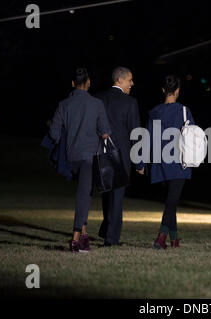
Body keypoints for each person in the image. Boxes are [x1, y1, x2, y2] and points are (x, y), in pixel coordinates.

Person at [49, 67, 111, 252]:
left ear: (72, 84)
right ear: (89, 82)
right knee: (84, 195)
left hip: (71, 156)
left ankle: (84, 235)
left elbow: (54, 134)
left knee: (85, 193)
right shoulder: (96, 104)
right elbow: (106, 132)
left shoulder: (64, 104)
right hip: (89, 156)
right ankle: (76, 238)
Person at [136, 75, 194, 249]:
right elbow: (193, 137)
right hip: (178, 161)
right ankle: (161, 237)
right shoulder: (184, 110)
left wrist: (141, 163)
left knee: (171, 200)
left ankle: (174, 239)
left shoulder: (154, 112)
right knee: (172, 200)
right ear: (177, 91)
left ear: (163, 90)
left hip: (161, 162)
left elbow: (147, 139)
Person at [96, 66, 141, 246]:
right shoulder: (130, 103)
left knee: (106, 196)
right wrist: (139, 162)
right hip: (121, 156)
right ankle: (111, 239)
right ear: (119, 80)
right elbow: (135, 134)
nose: (132, 83)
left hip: (100, 154)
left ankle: (107, 230)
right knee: (116, 197)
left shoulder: (99, 98)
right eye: (130, 80)